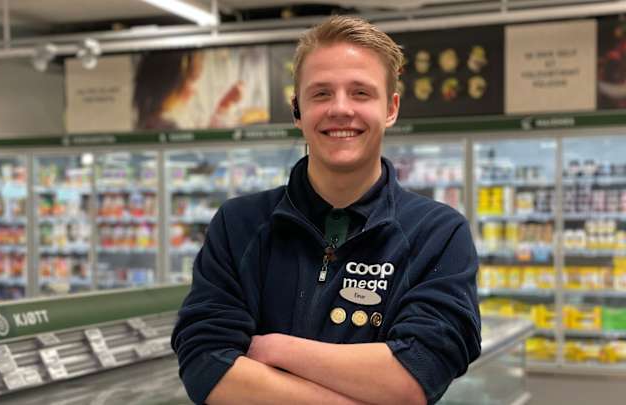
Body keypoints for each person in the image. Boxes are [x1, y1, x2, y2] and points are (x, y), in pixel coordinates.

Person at [171, 15, 481, 405]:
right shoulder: (239, 224)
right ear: (297, 109)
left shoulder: (437, 233)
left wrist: (276, 348)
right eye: (321, 94)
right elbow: (205, 364)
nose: (340, 109)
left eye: (360, 93)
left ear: (391, 108)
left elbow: (419, 371)